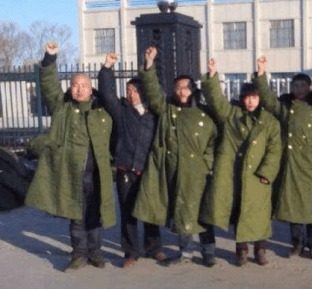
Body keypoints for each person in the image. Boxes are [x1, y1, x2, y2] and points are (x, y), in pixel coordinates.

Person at [25, 42, 115, 271]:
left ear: (91, 87)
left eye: (83, 85)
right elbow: (48, 85)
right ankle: (78, 254)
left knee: (95, 215)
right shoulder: (62, 107)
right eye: (75, 85)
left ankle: (95, 252)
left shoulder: (102, 109)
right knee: (76, 216)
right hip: (71, 174)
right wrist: (50, 58)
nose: (79, 89)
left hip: (96, 174)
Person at [132, 47, 217, 267]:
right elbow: (151, 91)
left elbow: (212, 143)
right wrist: (149, 63)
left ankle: (209, 252)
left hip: (199, 173)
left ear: (193, 90)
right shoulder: (167, 110)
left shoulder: (204, 114)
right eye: (178, 87)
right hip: (174, 170)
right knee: (181, 211)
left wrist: (207, 164)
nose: (182, 91)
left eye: (186, 87)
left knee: (202, 213)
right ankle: (185, 253)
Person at [200, 58, 282, 266]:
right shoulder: (232, 116)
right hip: (234, 175)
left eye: (254, 97)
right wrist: (212, 76)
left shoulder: (269, 121)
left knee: (260, 215)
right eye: (247, 97)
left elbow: (274, 149)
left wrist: (266, 173)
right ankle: (242, 250)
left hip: (257, 176)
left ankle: (261, 249)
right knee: (239, 212)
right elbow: (216, 101)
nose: (250, 102)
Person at [253, 56, 312, 258]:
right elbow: (268, 100)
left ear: (309, 87)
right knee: (294, 209)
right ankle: (296, 244)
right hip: (292, 168)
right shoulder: (285, 107)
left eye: (303, 85)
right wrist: (261, 74)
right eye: (295, 85)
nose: (299, 89)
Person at [98, 53, 163, 268]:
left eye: (135, 90)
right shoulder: (121, 111)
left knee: (150, 209)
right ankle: (130, 251)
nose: (131, 94)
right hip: (125, 168)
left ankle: (153, 247)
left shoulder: (154, 114)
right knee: (128, 212)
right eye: (128, 90)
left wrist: (149, 64)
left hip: (147, 170)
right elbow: (107, 95)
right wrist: (107, 68)